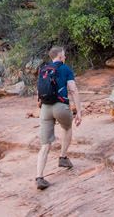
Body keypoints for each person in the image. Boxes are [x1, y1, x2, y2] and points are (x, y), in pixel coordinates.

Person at [35, 45, 82, 190]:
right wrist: (79, 111)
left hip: (45, 108)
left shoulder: (44, 69)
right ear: (60, 56)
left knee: (45, 145)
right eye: (64, 55)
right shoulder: (65, 69)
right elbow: (73, 89)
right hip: (60, 107)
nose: (65, 57)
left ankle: (39, 177)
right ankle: (62, 157)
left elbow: (39, 91)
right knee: (67, 128)